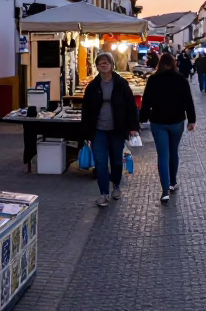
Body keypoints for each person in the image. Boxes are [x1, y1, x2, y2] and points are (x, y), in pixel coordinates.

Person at [80, 52, 140, 207]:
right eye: (100, 62)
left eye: (106, 62)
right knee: (100, 162)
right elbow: (86, 110)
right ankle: (104, 193)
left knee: (116, 160)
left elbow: (130, 107)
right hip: (98, 129)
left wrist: (133, 127)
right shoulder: (92, 86)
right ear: (97, 66)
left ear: (112, 65)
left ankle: (117, 185)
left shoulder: (121, 84)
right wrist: (86, 132)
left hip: (117, 129)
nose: (103, 64)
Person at [139, 53, 196, 203]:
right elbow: (188, 100)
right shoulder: (181, 79)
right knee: (173, 152)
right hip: (177, 121)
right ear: (173, 63)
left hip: (158, 121)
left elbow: (146, 101)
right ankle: (172, 183)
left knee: (163, 155)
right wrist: (192, 120)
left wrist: (142, 118)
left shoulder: (153, 80)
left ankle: (164, 190)